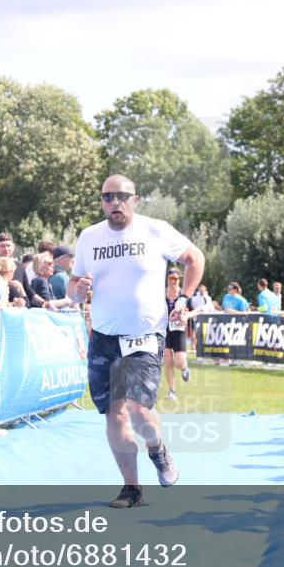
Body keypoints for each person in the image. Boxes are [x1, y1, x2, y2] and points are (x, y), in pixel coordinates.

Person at [68, 174, 205, 508]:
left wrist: (183, 299)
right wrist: (78, 290)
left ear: (135, 199)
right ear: (102, 201)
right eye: (108, 197)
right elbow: (73, 287)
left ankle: (158, 449)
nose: (115, 202)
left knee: (139, 410)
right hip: (104, 338)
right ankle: (132, 488)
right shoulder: (89, 236)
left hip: (144, 335)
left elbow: (195, 258)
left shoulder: (155, 230)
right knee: (114, 414)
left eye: (122, 196)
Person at [163, 269, 194, 400]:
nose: (173, 281)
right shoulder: (160, 294)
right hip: (164, 330)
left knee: (179, 361)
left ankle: (184, 368)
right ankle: (172, 391)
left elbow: (195, 311)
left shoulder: (183, 296)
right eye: (171, 278)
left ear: (179, 280)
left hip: (179, 331)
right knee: (167, 361)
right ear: (167, 280)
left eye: (176, 279)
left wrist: (186, 316)